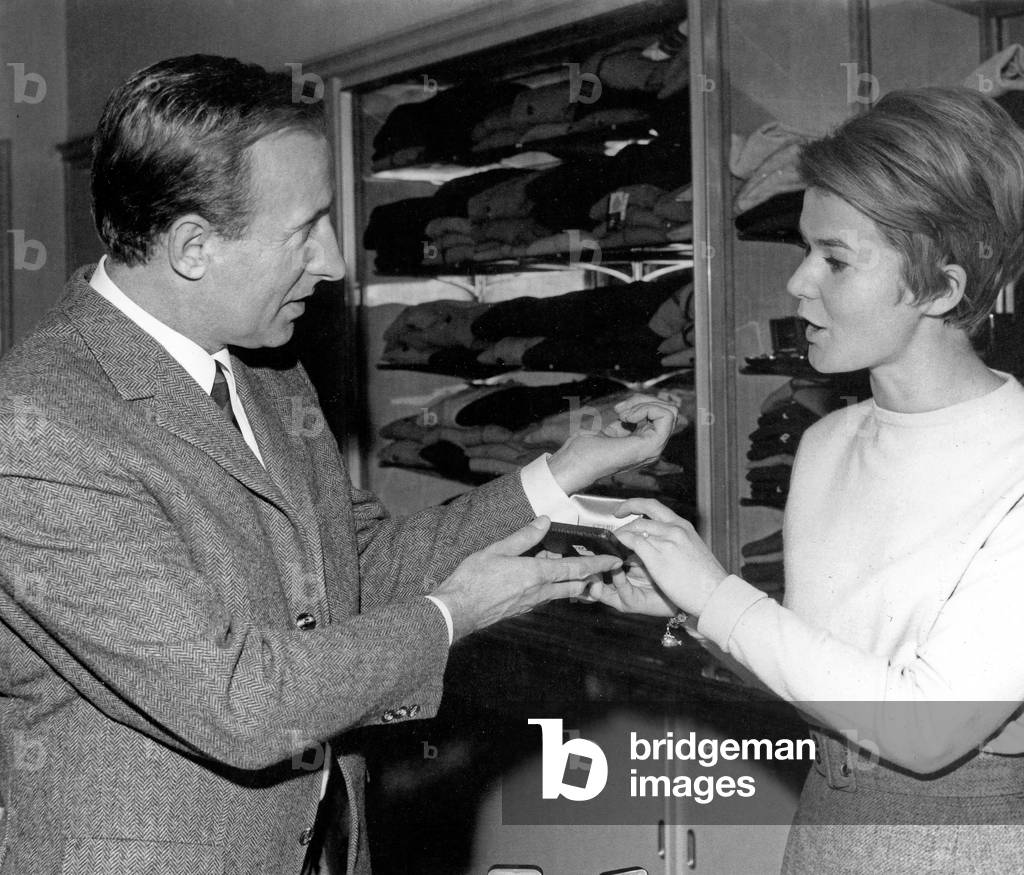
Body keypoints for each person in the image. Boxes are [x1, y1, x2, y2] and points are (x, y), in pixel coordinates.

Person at [0, 55, 678, 875]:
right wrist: (452, 615)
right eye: (306, 228)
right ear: (193, 247)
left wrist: (557, 473)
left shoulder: (266, 370)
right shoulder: (39, 427)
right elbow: (240, 701)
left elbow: (357, 568)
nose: (333, 262)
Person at [590, 86, 1024, 872]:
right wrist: (693, 610)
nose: (797, 282)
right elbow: (824, 677)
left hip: (966, 836)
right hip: (826, 813)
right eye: (804, 249)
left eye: (836, 259)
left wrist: (718, 595)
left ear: (942, 287)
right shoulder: (826, 442)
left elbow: (928, 729)